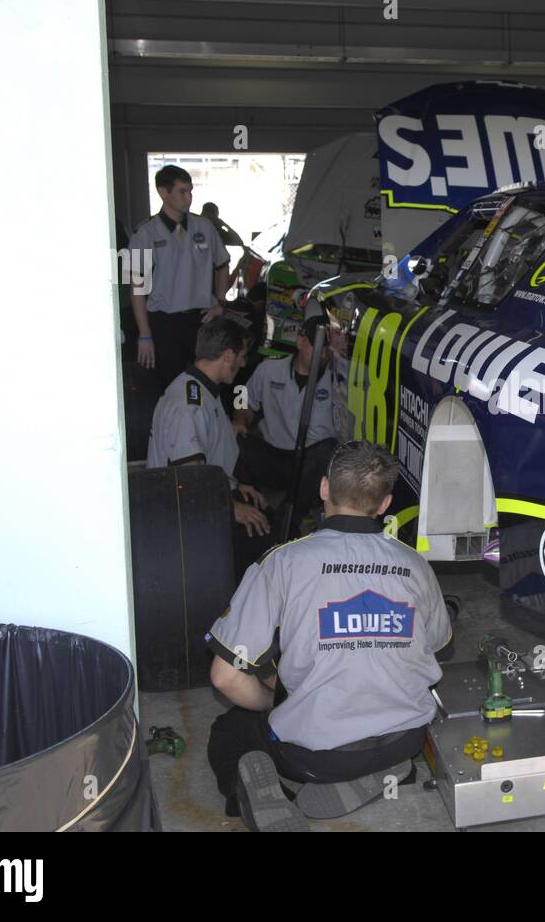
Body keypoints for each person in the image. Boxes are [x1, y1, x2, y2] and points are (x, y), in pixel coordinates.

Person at [205, 441, 454, 832]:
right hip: (407, 739)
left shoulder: (283, 561)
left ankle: (257, 796)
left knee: (228, 731)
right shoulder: (415, 563)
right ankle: (387, 772)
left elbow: (225, 676)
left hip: (315, 757)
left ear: (324, 488)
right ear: (385, 503)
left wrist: (272, 703)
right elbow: (437, 646)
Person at [146, 317, 273, 565]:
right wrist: (233, 507)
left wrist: (233, 487)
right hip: (184, 510)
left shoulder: (201, 388)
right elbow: (189, 476)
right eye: (242, 356)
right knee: (267, 546)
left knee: (269, 520)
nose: (243, 363)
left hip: (208, 493)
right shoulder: (189, 405)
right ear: (227, 355)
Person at [129, 166, 231, 393]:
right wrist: (144, 334)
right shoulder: (144, 234)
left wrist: (220, 303)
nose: (189, 198)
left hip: (202, 322)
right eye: (182, 191)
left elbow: (223, 264)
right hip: (165, 325)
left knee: (208, 388)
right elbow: (137, 287)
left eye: (191, 191)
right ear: (163, 192)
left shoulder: (204, 227)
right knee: (170, 390)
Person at [234, 315, 340, 524]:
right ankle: (244, 499)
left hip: (311, 464)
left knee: (326, 450)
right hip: (274, 455)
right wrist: (239, 420)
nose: (323, 354)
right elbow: (241, 396)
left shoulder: (336, 380)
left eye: (328, 349)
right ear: (300, 341)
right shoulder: (270, 368)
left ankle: (284, 521)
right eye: (317, 346)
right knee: (235, 440)